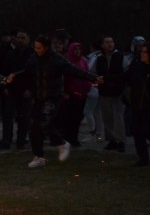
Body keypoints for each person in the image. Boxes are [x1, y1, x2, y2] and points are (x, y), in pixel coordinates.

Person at [16, 35, 99, 168]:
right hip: (38, 97)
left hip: (53, 97)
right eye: (35, 47)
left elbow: (74, 70)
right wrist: (12, 77)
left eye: (39, 48)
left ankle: (62, 143)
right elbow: (27, 72)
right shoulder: (33, 58)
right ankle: (39, 157)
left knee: (44, 123)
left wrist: (93, 78)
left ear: (46, 47)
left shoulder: (57, 59)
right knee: (34, 128)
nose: (36, 50)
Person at [0, 28, 34, 149]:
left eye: (23, 38)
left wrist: (30, 89)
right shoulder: (11, 53)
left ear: (28, 39)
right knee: (8, 116)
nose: (20, 40)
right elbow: (5, 70)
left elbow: (33, 73)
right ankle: (6, 139)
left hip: (25, 90)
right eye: (18, 37)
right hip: (12, 89)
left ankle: (21, 140)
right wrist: (6, 86)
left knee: (24, 117)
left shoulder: (32, 54)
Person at [94, 35, 127, 153]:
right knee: (107, 118)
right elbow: (93, 72)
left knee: (118, 118)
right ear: (102, 45)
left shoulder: (120, 57)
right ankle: (112, 140)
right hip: (104, 92)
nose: (110, 44)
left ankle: (120, 140)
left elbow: (125, 72)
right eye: (107, 42)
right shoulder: (99, 58)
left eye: (111, 42)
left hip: (117, 92)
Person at [59, 42, 93, 147]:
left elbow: (87, 74)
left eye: (79, 49)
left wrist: (87, 87)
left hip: (82, 93)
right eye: (75, 49)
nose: (77, 51)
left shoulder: (83, 61)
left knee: (77, 117)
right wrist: (64, 91)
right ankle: (66, 138)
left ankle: (74, 138)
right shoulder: (67, 61)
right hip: (70, 93)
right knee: (68, 117)